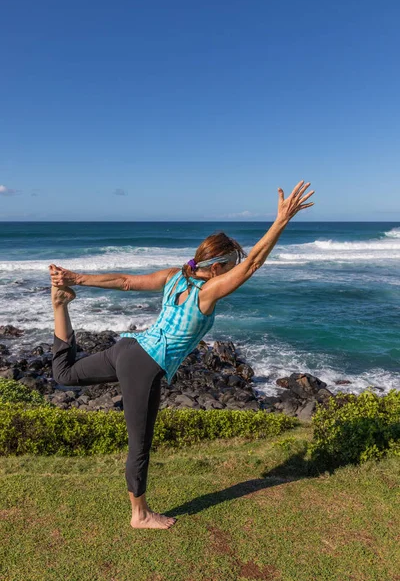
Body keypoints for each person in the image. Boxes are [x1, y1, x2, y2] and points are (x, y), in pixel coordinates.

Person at [49, 180, 314, 530]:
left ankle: (60, 307)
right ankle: (140, 515)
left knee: (64, 376)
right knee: (139, 444)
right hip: (145, 364)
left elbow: (126, 281)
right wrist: (281, 220)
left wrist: (76, 278)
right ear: (217, 268)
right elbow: (252, 266)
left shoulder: (175, 277)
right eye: (229, 265)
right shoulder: (207, 291)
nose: (233, 269)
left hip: (127, 347)